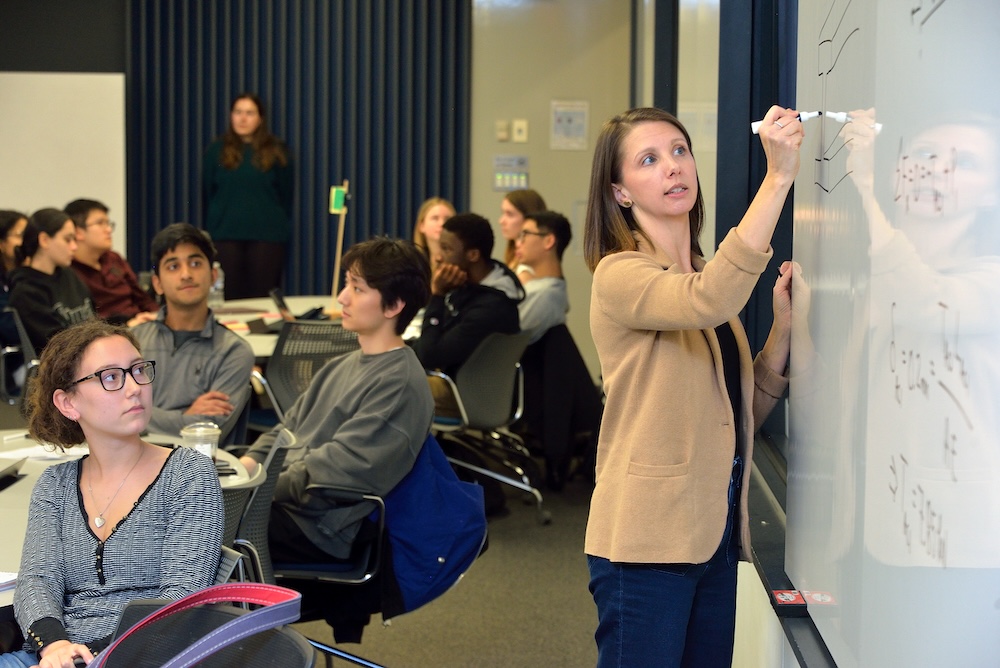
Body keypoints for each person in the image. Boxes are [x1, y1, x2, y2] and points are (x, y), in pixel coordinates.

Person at [583, 106, 800, 667]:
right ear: (620, 192)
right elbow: (713, 296)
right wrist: (777, 177)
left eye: (680, 151)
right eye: (649, 160)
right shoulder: (621, 275)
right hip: (646, 542)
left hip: (713, 536)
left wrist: (780, 333)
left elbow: (732, 413)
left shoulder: (697, 274)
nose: (672, 168)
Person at [239, 236, 433, 642]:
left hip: (322, 527)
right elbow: (284, 431)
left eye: (357, 288)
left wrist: (254, 488)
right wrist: (248, 466)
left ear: (394, 305)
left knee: (195, 531)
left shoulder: (399, 383)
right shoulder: (342, 365)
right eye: (347, 283)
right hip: (291, 505)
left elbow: (335, 474)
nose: (342, 297)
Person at [1, 320, 222, 668]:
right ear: (68, 403)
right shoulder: (54, 484)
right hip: (56, 655)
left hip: (148, 654)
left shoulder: (188, 472)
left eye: (138, 370)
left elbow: (180, 598)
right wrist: (55, 645)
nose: (134, 388)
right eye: (111, 377)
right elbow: (37, 581)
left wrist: (87, 656)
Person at [131, 223, 254, 441]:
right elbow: (108, 412)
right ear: (157, 283)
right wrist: (185, 416)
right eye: (173, 266)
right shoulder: (133, 341)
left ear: (213, 275)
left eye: (195, 263)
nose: (186, 274)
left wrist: (138, 416)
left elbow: (210, 430)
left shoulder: (234, 351)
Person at [409, 212, 524, 416]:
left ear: (472, 255)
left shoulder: (491, 307)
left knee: (385, 383)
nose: (438, 256)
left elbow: (429, 355)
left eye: (447, 249)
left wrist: (437, 295)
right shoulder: (469, 288)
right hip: (453, 383)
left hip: (462, 394)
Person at [202, 92, 293, 299]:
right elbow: (208, 193)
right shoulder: (216, 151)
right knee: (230, 297)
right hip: (225, 236)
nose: (242, 119)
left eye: (249, 113)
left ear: (260, 118)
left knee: (262, 297)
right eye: (238, 112)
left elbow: (286, 194)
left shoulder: (277, 151)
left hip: (267, 237)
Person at [8, 208, 95, 354]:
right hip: (63, 365)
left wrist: (127, 321)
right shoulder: (26, 291)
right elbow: (57, 344)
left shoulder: (69, 275)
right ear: (44, 240)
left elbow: (94, 318)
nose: (74, 246)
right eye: (68, 239)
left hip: (89, 353)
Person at [65, 198, 158, 327]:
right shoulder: (69, 271)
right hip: (108, 333)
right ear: (78, 232)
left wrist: (156, 315)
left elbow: (141, 298)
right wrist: (126, 326)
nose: (108, 229)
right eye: (100, 223)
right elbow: (86, 321)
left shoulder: (114, 258)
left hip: (140, 324)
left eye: (108, 223)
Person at [513, 209, 571, 343]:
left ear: (549, 241)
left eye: (525, 234)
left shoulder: (546, 294)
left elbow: (503, 339)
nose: (518, 243)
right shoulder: (541, 288)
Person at [498, 189, 546, 282]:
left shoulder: (526, 271)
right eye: (503, 213)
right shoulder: (513, 257)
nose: (501, 221)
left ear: (530, 219)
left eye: (510, 214)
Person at [0, 210, 27, 346]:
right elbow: (13, 329)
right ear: (2, 243)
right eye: (21, 235)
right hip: (15, 361)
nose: (27, 242)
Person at [411, 196, 456, 274]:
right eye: (435, 218)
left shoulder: (461, 268)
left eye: (447, 219)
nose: (442, 224)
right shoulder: (412, 266)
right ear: (421, 226)